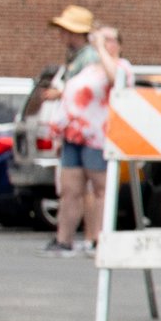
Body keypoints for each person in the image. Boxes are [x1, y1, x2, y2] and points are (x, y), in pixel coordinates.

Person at [48, 18, 131, 258]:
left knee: (101, 189)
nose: (103, 43)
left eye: (109, 39)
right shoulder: (88, 67)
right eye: (101, 38)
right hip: (74, 136)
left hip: (99, 138)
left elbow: (115, 80)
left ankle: (100, 239)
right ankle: (64, 240)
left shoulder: (120, 66)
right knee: (70, 189)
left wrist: (102, 49)